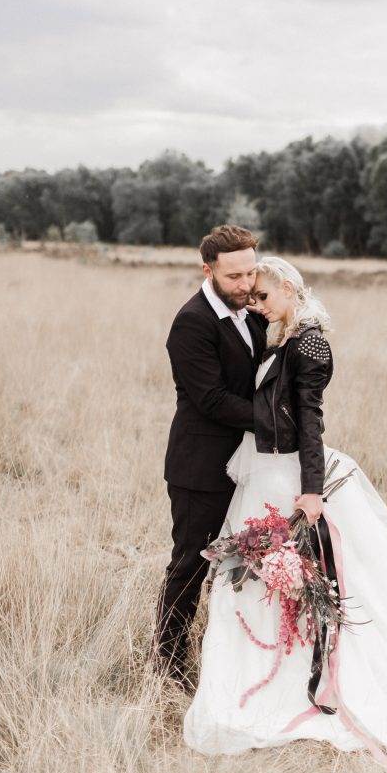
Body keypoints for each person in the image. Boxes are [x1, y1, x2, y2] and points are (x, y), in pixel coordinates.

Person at [182, 256, 387, 773]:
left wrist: (312, 491)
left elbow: (311, 420)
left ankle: (310, 679)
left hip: (291, 476)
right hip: (262, 472)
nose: (256, 304)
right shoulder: (280, 335)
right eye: (251, 298)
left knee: (311, 577)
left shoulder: (309, 343)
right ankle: (249, 674)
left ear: (290, 290)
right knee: (252, 585)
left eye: (264, 296)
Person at [151, 225, 268, 690]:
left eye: (251, 271)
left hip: (251, 465)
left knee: (249, 563)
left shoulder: (252, 312)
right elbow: (213, 400)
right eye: (235, 275)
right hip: (201, 467)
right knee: (189, 566)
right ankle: (169, 665)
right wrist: (278, 419)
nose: (246, 283)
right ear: (209, 270)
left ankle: (239, 659)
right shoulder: (192, 322)